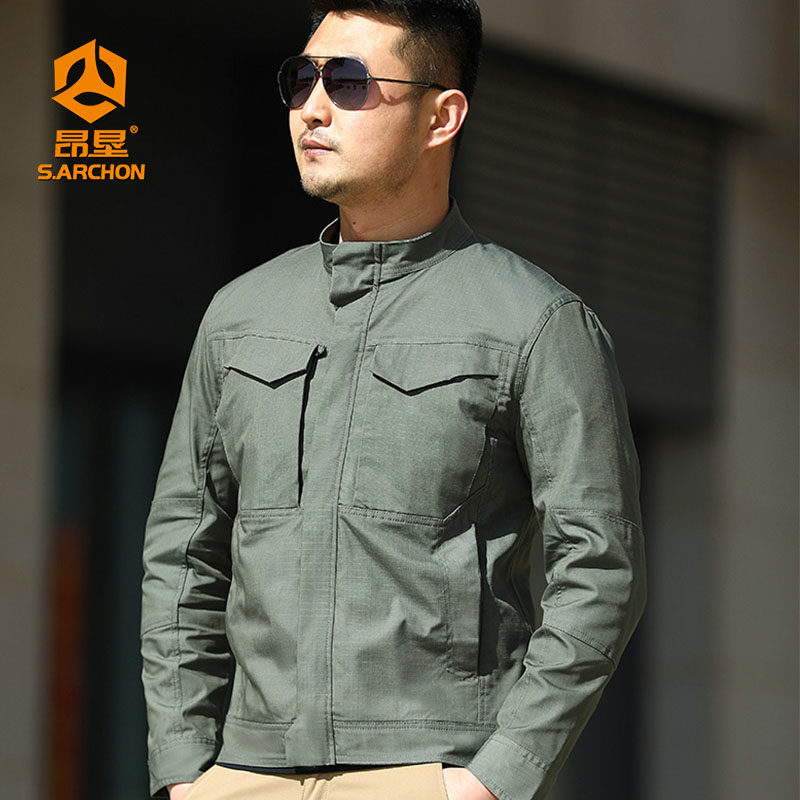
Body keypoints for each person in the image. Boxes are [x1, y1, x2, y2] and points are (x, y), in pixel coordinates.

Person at [140, 2, 647, 799]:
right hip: (242, 775)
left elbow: (602, 567)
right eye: (300, 78)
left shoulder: (537, 323)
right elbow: (183, 553)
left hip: (430, 773)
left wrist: (493, 778)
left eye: (347, 81)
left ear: (441, 116)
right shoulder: (239, 316)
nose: (312, 107)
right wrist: (183, 769)